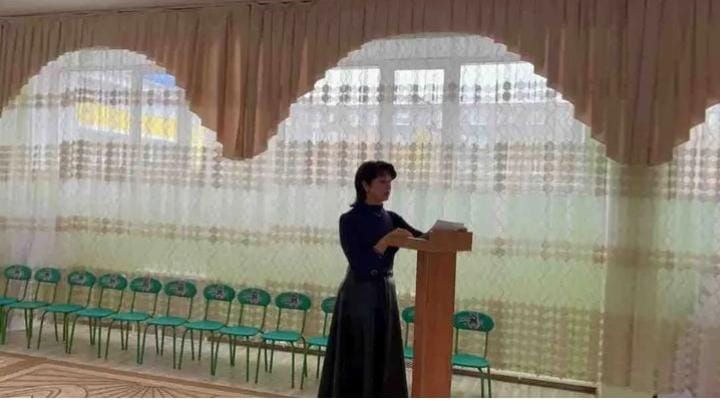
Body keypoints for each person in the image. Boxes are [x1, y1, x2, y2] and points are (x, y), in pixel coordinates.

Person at [318, 160, 425, 397]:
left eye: (390, 182)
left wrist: (447, 232)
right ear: (365, 185)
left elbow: (422, 238)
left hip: (385, 291)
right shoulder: (349, 220)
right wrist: (386, 241)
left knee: (384, 352)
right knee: (359, 353)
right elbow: (360, 263)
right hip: (359, 293)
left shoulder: (392, 217)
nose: (388, 187)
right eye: (382, 182)